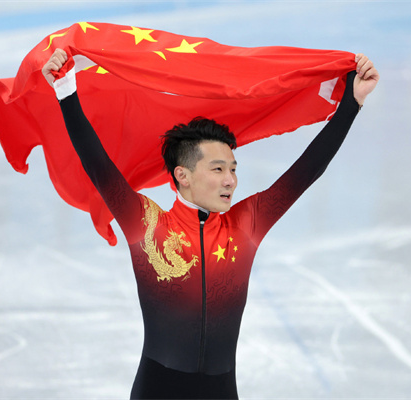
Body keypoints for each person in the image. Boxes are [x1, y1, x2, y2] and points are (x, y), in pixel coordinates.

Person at [42, 48, 379, 399]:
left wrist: (351, 104)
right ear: (182, 175)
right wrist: (66, 91)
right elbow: (99, 167)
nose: (230, 180)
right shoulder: (148, 224)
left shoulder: (246, 224)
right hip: (158, 389)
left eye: (233, 169)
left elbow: (305, 172)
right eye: (217, 169)